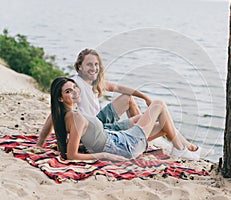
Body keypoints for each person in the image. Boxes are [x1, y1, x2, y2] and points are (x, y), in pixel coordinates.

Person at [37, 48, 198, 152]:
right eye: (89, 65)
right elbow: (55, 113)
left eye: (96, 64)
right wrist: (40, 143)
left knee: (129, 100)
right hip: (96, 127)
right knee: (155, 115)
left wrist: (144, 96)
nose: (94, 68)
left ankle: (178, 143)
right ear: (79, 67)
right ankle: (181, 145)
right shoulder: (75, 84)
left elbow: (119, 88)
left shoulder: (92, 82)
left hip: (99, 123)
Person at [50, 77, 201, 161]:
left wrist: (86, 146)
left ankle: (185, 147)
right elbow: (71, 155)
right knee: (159, 104)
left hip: (119, 141)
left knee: (164, 125)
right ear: (60, 99)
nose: (75, 92)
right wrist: (104, 155)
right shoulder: (75, 117)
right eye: (68, 91)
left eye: (74, 87)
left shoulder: (67, 116)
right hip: (123, 146)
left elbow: (75, 143)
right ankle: (181, 150)